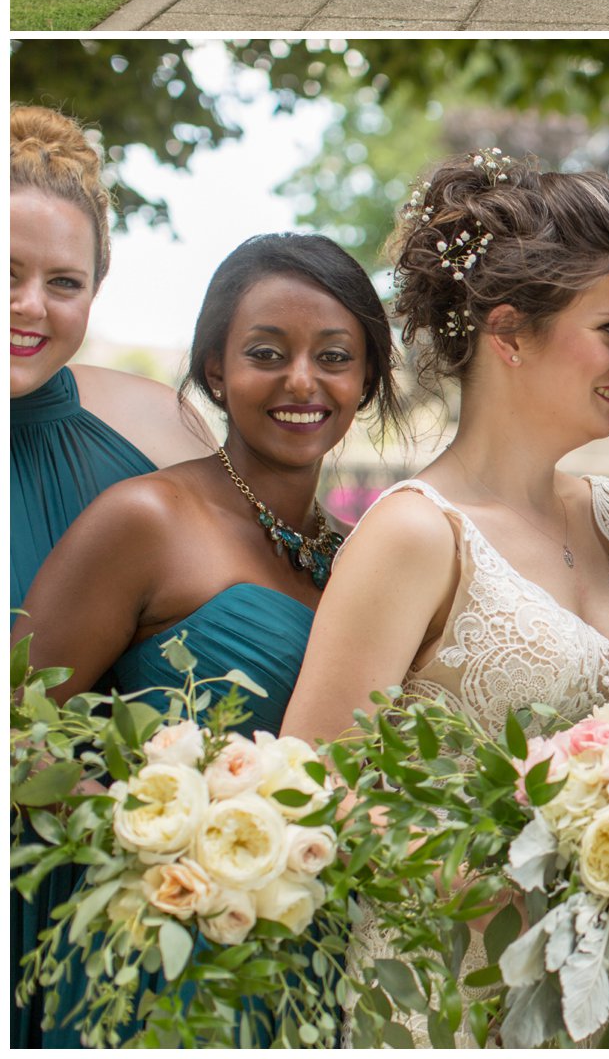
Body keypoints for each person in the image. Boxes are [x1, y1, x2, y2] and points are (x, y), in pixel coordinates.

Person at [282, 154, 609, 1049]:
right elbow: (313, 787)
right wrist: (529, 880)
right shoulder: (416, 536)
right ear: (508, 331)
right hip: (450, 996)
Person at [14, 233, 400, 1047]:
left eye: (334, 356)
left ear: (366, 380)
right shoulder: (144, 519)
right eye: (267, 352)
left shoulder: (348, 559)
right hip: (148, 947)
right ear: (217, 370)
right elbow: (17, 725)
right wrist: (151, 840)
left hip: (299, 955)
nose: (302, 380)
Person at [10, 105, 209, 1050]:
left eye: (64, 282)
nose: (32, 309)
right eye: (6, 274)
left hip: (103, 896)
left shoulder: (156, 442)